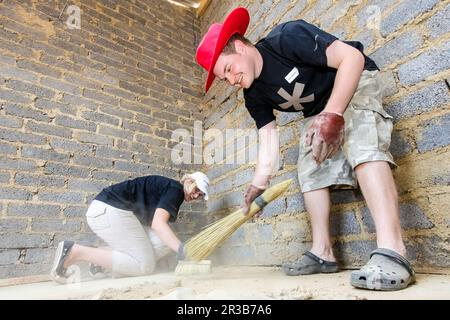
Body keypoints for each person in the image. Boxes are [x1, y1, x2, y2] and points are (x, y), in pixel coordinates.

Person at [195, 7, 415, 291]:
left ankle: (393, 250)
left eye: (228, 69)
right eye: (225, 79)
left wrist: (334, 114)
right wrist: (258, 184)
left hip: (354, 81)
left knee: (362, 139)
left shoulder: (287, 38)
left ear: (239, 46)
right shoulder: (253, 95)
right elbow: (268, 139)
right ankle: (323, 253)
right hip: (320, 110)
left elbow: (352, 58)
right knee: (308, 167)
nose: (232, 80)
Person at [50, 172, 209, 284]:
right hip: (109, 211)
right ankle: (75, 252)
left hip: (109, 211)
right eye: (196, 190)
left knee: (163, 243)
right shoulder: (175, 190)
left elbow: (157, 227)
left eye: (200, 195)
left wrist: (176, 247)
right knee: (145, 266)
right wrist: (183, 250)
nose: (196, 196)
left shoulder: (171, 189)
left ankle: (98, 261)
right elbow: (158, 224)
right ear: (188, 180)